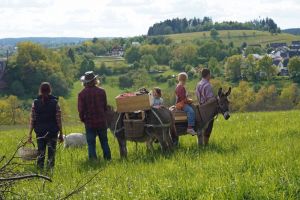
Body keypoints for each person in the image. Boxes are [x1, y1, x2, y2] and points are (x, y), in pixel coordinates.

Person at [28, 82, 63, 170]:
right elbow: (58, 120)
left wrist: (30, 134)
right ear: (50, 90)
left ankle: (39, 172)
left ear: (40, 90)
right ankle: (49, 172)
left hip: (40, 132)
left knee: (40, 153)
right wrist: (61, 133)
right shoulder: (55, 103)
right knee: (51, 154)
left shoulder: (35, 103)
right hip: (52, 132)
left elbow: (32, 120)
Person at [78, 71, 111, 160]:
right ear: (95, 80)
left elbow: (81, 110)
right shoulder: (102, 91)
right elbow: (105, 107)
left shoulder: (81, 94)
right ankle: (107, 159)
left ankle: (93, 160)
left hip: (89, 122)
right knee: (104, 141)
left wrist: (83, 119)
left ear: (85, 82)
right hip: (102, 121)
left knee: (91, 143)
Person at [195, 68, 215, 145]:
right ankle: (206, 144)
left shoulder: (198, 84)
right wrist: (215, 99)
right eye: (210, 74)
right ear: (208, 75)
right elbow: (210, 99)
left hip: (200, 107)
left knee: (201, 127)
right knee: (208, 127)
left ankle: (201, 142)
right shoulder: (207, 85)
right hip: (207, 109)